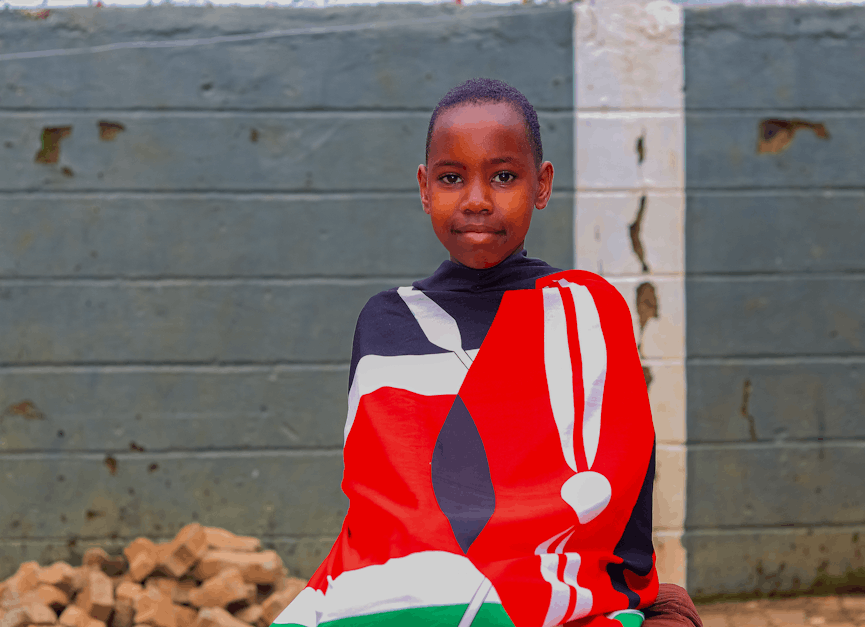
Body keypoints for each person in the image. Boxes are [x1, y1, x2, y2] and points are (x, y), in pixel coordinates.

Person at [270, 78, 702, 627]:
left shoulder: (588, 312)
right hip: (415, 589)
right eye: (452, 178)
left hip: (535, 587)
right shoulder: (386, 321)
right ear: (425, 189)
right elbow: (385, 508)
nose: (477, 199)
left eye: (503, 176)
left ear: (541, 185)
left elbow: (617, 492)